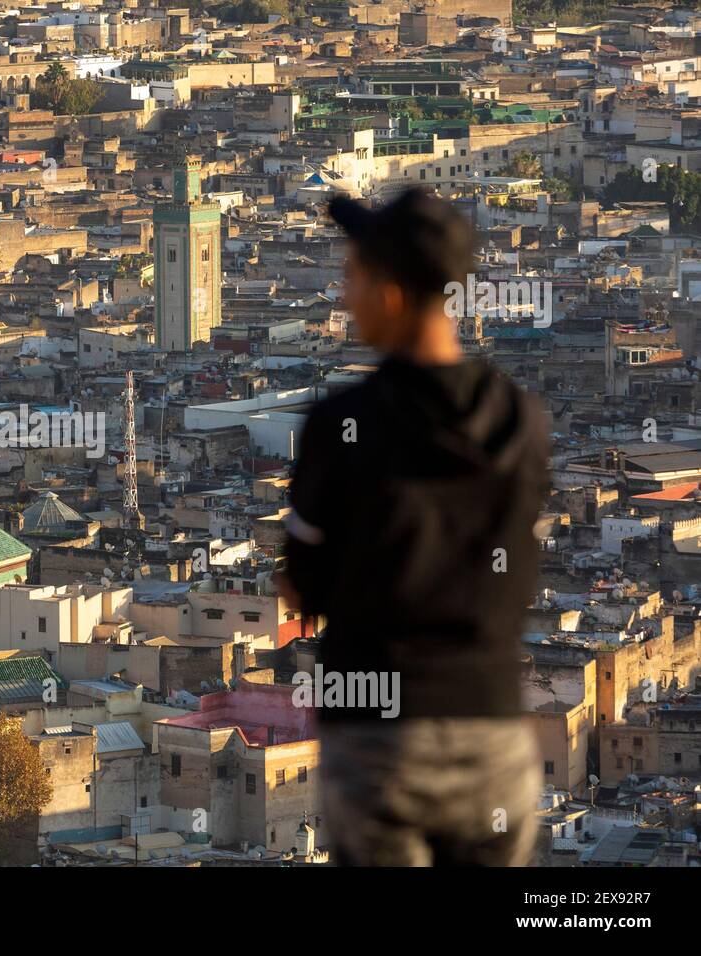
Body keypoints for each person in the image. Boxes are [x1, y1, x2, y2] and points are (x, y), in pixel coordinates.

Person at [279, 188, 551, 866]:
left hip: (382, 749)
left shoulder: (342, 424)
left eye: (354, 276)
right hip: (494, 739)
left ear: (393, 294)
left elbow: (301, 589)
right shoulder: (523, 422)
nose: (345, 294)